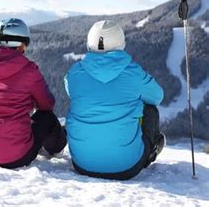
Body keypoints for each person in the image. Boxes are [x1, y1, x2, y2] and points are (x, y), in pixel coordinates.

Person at [65, 20, 165, 180]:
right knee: (150, 110)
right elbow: (157, 97)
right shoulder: (134, 74)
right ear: (121, 43)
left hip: (81, 164)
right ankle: (148, 153)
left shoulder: (74, 73)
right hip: (127, 167)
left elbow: (71, 93)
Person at [0, 18, 67, 168]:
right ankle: (55, 148)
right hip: (15, 156)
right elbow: (47, 104)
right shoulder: (28, 70)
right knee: (47, 118)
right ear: (21, 44)